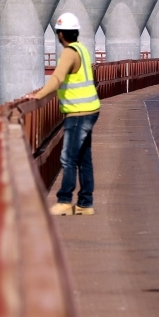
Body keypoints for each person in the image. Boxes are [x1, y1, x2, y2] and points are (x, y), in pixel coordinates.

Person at [33, 13, 100, 216]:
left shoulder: (69, 53)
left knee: (68, 157)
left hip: (78, 113)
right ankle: (85, 204)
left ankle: (64, 201)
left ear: (60, 34)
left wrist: (38, 96)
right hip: (90, 109)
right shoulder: (82, 50)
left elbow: (57, 79)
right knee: (83, 158)